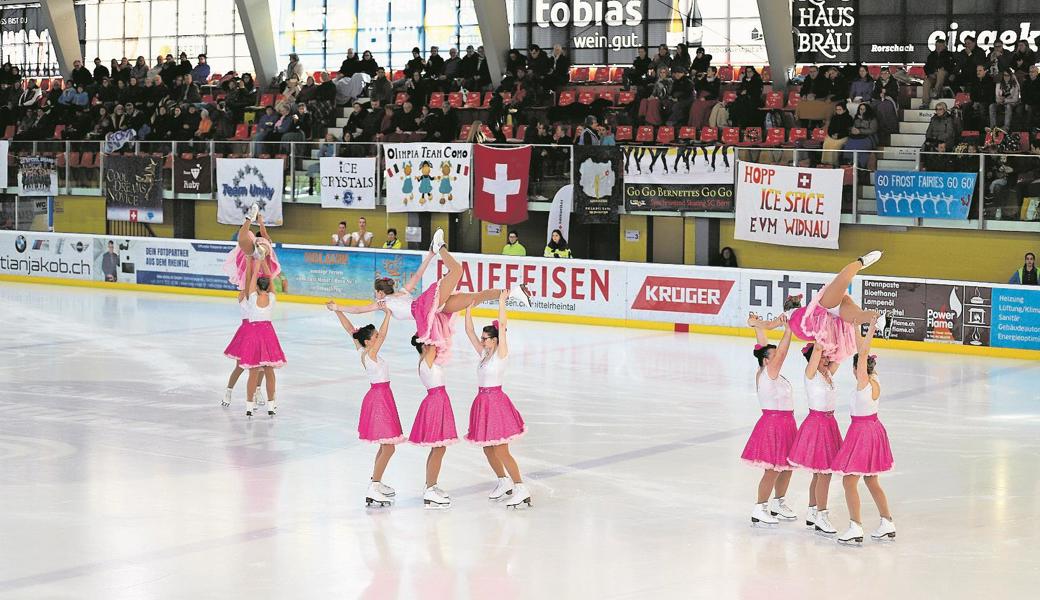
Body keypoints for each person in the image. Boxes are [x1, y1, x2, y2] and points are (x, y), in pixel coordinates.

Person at [328, 231, 532, 364]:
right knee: (469, 292)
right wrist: (429, 256)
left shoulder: (387, 300)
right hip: (430, 310)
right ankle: (439, 246)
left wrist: (338, 306)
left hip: (426, 306)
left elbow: (358, 310)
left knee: (468, 286)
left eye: (376, 293)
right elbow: (417, 275)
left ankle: (513, 292)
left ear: (380, 292)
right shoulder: (392, 298)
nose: (375, 296)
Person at [329, 304, 405, 507]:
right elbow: (383, 337)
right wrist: (388, 314)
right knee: (389, 447)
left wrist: (338, 310)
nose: (378, 336)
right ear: (369, 341)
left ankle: (376, 483)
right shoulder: (369, 354)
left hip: (382, 397)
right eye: (375, 335)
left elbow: (349, 329)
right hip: (380, 400)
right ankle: (374, 486)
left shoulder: (363, 350)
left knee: (386, 445)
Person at [464, 293, 531, 508]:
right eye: (482, 338)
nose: (482, 340)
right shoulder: (484, 354)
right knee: (487, 448)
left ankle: (520, 486)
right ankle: (503, 481)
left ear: (495, 340)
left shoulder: (501, 354)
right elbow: (469, 332)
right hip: (483, 403)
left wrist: (502, 301)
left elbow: (502, 324)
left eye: (486, 338)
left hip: (496, 404)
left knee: (501, 449)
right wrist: (467, 309)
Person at [833, 320, 896, 544]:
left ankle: (855, 527)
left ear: (857, 369)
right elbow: (863, 352)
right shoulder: (874, 378)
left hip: (862, 433)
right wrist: (856, 327)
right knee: (871, 480)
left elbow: (863, 353)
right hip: (874, 429)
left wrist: (870, 329)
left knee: (849, 482)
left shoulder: (863, 382)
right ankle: (887, 522)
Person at [743, 312, 798, 525]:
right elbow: (781, 353)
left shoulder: (768, 369)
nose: (777, 357)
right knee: (772, 469)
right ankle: (760, 507)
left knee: (786, 466)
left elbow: (764, 347)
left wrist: (758, 326)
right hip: (773, 424)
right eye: (773, 356)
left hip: (785, 423)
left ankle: (778, 503)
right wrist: (788, 329)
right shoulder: (768, 372)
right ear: (767, 360)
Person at [787, 251, 884, 364]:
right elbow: (769, 325)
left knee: (858, 316)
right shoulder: (790, 316)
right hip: (828, 315)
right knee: (843, 280)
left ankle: (880, 319)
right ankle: (861, 262)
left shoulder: (797, 318)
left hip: (833, 320)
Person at [787, 343, 843, 535]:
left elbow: (841, 355)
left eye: (827, 356)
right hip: (817, 425)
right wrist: (821, 326)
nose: (827, 359)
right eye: (823, 356)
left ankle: (813, 511)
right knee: (824, 472)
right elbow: (818, 349)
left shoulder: (827, 373)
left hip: (829, 424)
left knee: (819, 473)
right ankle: (821, 515)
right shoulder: (811, 373)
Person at [408, 334, 458, 509]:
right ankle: (430, 488)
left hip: (438, 401)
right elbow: (434, 339)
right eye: (431, 345)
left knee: (437, 448)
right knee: (439, 447)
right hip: (436, 403)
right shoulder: (426, 361)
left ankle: (431, 484)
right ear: (425, 346)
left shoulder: (427, 361)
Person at [238, 252, 286, 418]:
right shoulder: (272, 298)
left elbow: (250, 281)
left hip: (253, 334)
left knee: (253, 372)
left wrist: (256, 261)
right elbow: (270, 280)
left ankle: (249, 407)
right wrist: (265, 259)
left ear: (257, 287)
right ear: (267, 287)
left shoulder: (252, 297)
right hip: (268, 334)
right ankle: (271, 405)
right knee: (269, 371)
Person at [221, 258, 267, 409]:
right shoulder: (245, 295)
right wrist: (248, 262)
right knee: (240, 366)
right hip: (246, 333)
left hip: (259, 332)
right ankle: (229, 391)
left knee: (261, 366)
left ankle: (257, 391)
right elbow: (249, 278)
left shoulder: (258, 297)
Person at [224, 208, 281, 291]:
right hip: (262, 253)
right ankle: (261, 250)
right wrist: (260, 221)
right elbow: (264, 232)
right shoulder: (265, 239)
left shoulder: (254, 240)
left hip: (253, 255)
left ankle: (248, 223)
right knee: (264, 248)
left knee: (249, 276)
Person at [922, 38, 957, 108]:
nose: (938, 48)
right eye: (937, 46)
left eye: (940, 46)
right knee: (926, 82)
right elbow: (926, 67)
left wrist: (945, 69)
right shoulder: (931, 55)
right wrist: (930, 74)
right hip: (933, 76)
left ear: (944, 46)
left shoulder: (949, 55)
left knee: (941, 72)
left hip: (945, 76)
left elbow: (953, 66)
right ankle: (925, 103)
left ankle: (936, 93)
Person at [845, 103, 878, 169]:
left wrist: (860, 131)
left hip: (868, 137)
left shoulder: (872, 118)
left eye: (864, 109)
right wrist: (852, 129)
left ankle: (861, 164)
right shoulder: (856, 117)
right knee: (849, 144)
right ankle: (849, 162)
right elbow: (852, 127)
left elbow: (873, 130)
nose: (862, 111)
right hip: (855, 137)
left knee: (860, 147)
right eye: (860, 109)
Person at [822, 102, 852, 166]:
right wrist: (832, 135)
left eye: (839, 109)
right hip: (832, 135)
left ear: (844, 110)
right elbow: (830, 128)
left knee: (835, 146)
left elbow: (848, 130)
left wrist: (838, 136)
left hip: (843, 136)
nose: (838, 111)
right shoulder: (834, 117)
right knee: (826, 144)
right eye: (837, 109)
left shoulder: (849, 118)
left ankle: (834, 163)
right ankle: (826, 163)